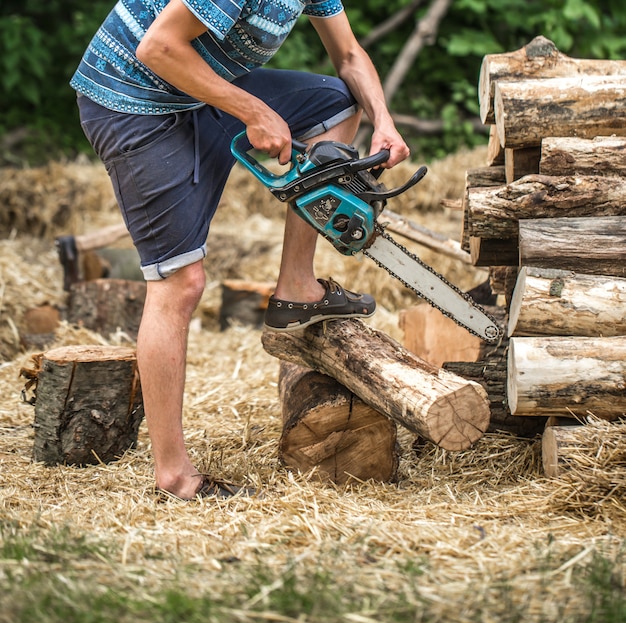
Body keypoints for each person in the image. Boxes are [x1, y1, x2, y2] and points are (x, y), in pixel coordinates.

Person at [70, 0, 410, 501]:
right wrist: (253, 110)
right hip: (133, 100)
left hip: (192, 88)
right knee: (180, 284)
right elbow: (159, 46)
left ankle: (296, 286)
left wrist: (384, 120)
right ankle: (174, 477)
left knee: (336, 103)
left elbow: (350, 54)